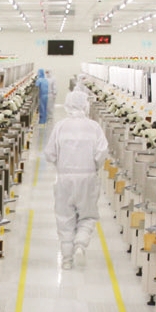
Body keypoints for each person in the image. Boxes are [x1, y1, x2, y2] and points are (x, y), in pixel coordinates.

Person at [43, 88, 108, 269]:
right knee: (88, 215)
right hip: (88, 177)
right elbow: (102, 151)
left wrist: (61, 163)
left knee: (65, 217)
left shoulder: (60, 126)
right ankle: (80, 244)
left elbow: (49, 153)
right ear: (85, 105)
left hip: (64, 178)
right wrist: (94, 166)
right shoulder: (94, 127)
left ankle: (66, 259)